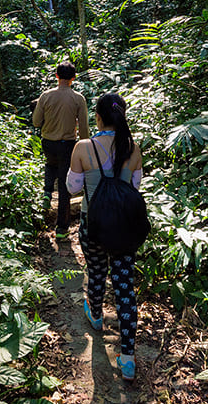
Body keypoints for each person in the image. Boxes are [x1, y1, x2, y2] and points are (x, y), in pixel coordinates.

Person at [66, 92, 143, 382]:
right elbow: (135, 186)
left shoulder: (83, 148)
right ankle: (128, 358)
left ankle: (96, 317)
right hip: (124, 228)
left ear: (97, 117)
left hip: (93, 226)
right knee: (125, 286)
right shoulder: (133, 148)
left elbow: (73, 188)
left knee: (96, 272)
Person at [32, 62, 90, 240]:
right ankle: (62, 228)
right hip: (68, 144)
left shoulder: (45, 96)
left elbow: (36, 122)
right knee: (65, 186)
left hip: (48, 142)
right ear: (73, 78)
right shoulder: (78, 98)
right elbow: (84, 127)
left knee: (50, 164)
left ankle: (47, 192)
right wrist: (85, 147)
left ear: (56, 76)